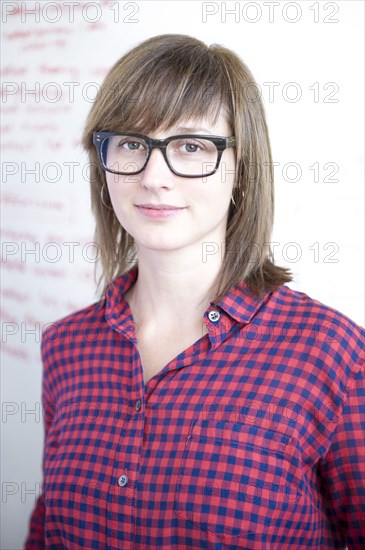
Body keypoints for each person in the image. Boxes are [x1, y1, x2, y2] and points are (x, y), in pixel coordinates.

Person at [25, 34, 364, 549]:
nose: (154, 176)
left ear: (241, 171)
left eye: (191, 146)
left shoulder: (332, 353)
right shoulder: (66, 348)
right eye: (132, 144)